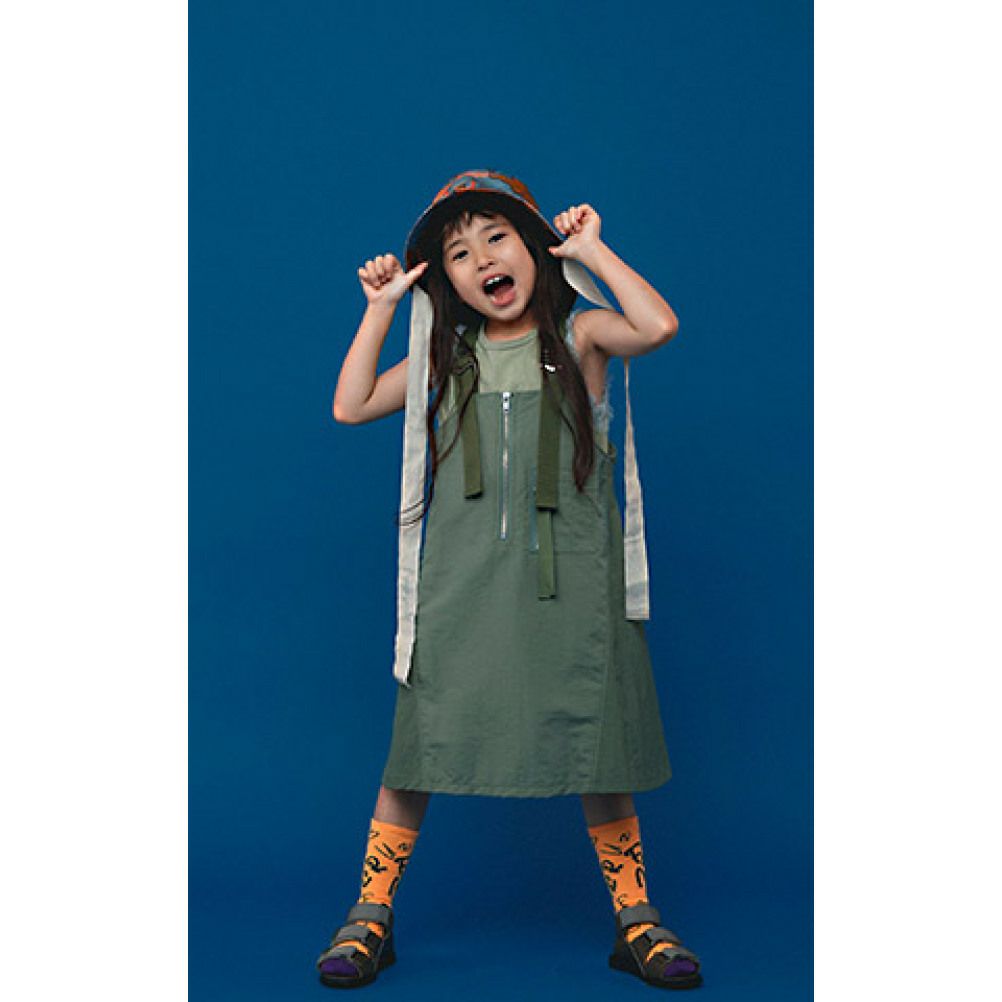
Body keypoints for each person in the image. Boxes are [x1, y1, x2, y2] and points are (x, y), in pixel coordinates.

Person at [316, 170, 702, 990]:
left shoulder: (581, 337)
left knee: (599, 746)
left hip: (575, 589)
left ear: (534, 249)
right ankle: (372, 911)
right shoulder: (443, 360)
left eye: (497, 237)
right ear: (446, 280)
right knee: (419, 746)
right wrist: (381, 309)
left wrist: (590, 251)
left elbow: (658, 325)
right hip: (459, 590)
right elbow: (351, 404)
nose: (483, 259)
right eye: (459, 252)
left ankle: (635, 916)